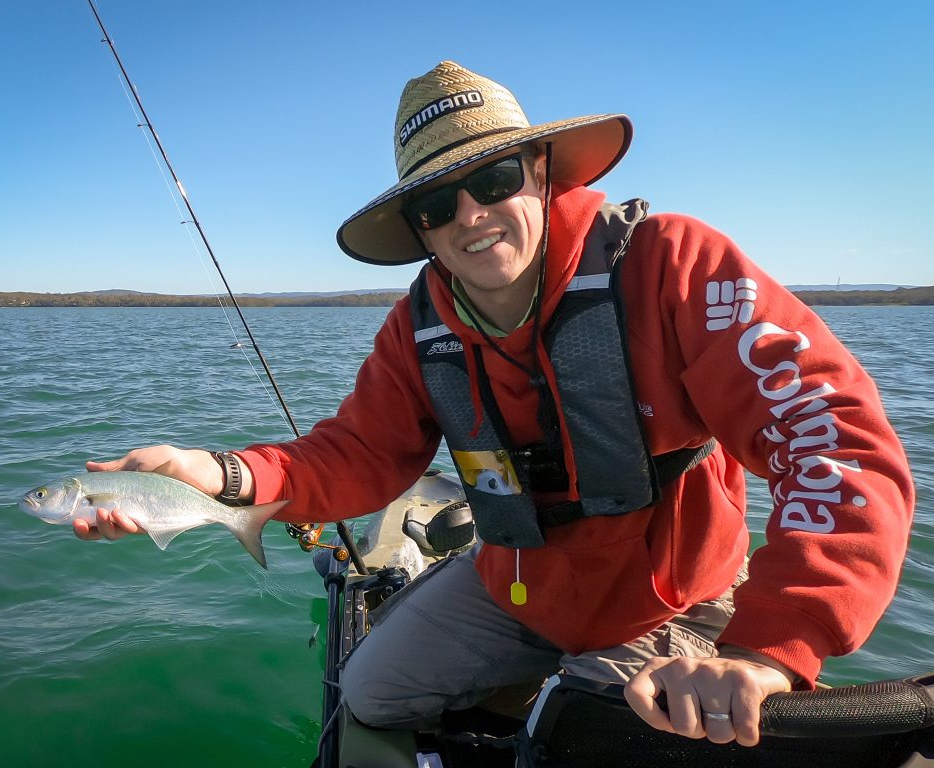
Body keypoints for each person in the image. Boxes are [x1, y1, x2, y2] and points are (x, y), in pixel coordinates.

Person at [76, 61, 914, 749]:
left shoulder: (675, 264)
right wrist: (216, 474)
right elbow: (355, 454)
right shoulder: (418, 328)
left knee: (581, 736)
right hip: (515, 589)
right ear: (421, 231)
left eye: (494, 178)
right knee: (367, 691)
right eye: (439, 205)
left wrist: (768, 648)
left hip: (676, 599)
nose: (471, 216)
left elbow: (832, 438)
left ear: (541, 173)